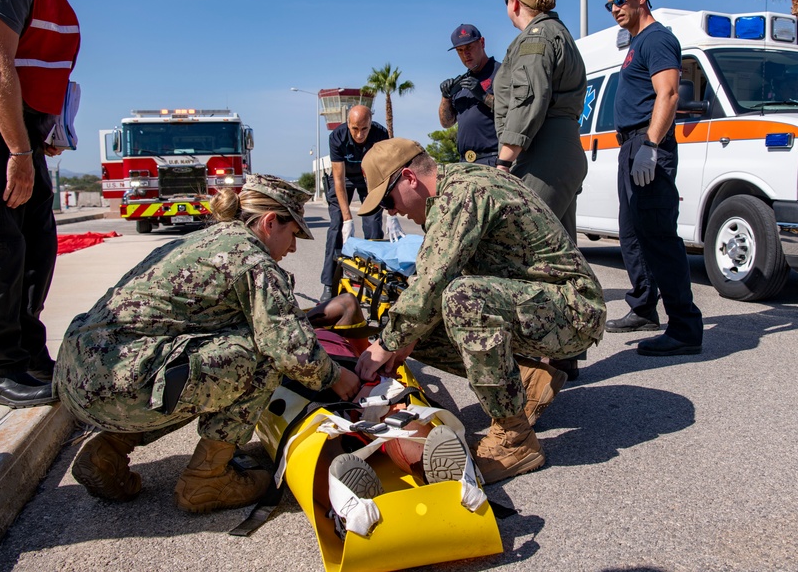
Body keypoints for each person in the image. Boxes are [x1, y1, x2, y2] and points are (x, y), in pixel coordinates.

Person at [54, 174, 361, 512]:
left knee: (192, 365)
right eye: (292, 234)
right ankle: (207, 479)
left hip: (80, 376)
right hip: (122, 382)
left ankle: (106, 453)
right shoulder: (253, 259)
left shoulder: (206, 240)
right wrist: (337, 377)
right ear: (270, 222)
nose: (293, 247)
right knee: (262, 354)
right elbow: (288, 348)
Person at [352, 139, 606, 484]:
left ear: (409, 177)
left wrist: (386, 343)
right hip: (537, 303)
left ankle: (515, 439)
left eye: (388, 200)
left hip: (574, 310)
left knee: (461, 299)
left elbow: (432, 283)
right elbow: (427, 286)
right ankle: (528, 382)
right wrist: (401, 338)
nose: (392, 212)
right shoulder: (451, 190)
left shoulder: (463, 193)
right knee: (414, 328)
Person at [0, 0, 111, 409]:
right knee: (4, 251)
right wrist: (18, 148)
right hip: (5, 140)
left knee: (38, 246)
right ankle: (3, 365)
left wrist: (39, 136)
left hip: (26, 136)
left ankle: (25, 350)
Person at [493, 0, 589, 379]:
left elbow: (529, 99)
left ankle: (531, 361)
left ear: (516, 2)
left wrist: (503, 161)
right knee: (560, 260)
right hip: (559, 151)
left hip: (542, 153)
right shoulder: (559, 33)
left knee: (520, 254)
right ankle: (565, 353)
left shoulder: (535, 38)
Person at [604, 0, 703, 355]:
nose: (615, 8)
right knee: (632, 234)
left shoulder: (658, 38)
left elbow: (670, 92)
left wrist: (649, 144)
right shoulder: (636, 43)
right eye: (609, 4)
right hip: (630, 146)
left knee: (659, 237)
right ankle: (644, 307)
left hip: (648, 146)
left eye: (621, 0)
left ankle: (684, 328)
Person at [320, 104, 396, 301]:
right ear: (348, 124)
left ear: (371, 124)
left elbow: (386, 173)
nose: (360, 134)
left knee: (373, 225)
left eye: (365, 129)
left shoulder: (380, 134)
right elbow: (338, 178)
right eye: (355, 129)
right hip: (344, 178)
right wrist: (347, 219)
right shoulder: (337, 137)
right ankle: (330, 284)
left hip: (369, 179)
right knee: (336, 227)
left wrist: (391, 212)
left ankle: (374, 283)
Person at [438, 23, 501, 166]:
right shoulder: (461, 82)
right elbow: (446, 123)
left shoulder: (501, 72)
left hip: (494, 160)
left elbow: (514, 111)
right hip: (464, 163)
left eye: (469, 47)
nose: (465, 54)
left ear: (482, 42)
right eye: (460, 50)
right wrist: (446, 97)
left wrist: (484, 96)